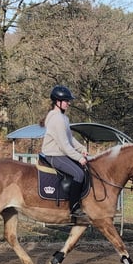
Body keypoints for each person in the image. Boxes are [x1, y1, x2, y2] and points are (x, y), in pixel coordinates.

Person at [41, 85, 88, 218]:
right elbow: (64, 146)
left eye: (68, 100)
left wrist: (82, 149)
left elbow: (70, 138)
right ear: (58, 101)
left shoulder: (63, 118)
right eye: (66, 100)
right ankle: (74, 208)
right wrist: (79, 158)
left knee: (83, 170)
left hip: (61, 153)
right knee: (79, 174)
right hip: (54, 155)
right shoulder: (57, 119)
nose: (69, 103)